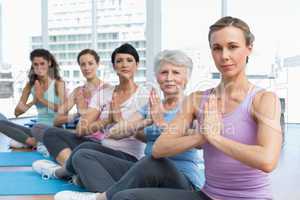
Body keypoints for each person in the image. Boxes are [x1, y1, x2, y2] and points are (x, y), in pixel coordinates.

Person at [97, 16, 283, 200]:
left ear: (249, 48)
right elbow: (159, 149)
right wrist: (202, 135)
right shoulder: (197, 99)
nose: (224, 56)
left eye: (232, 47)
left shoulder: (264, 99)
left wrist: (214, 137)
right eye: (217, 48)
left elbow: (267, 160)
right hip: (208, 195)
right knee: (124, 197)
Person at [54, 50, 205, 200]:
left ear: (186, 77)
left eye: (176, 73)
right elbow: (115, 133)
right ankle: (110, 191)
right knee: (83, 154)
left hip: (181, 179)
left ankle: (100, 195)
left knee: (154, 161)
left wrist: (162, 124)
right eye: (164, 72)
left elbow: (200, 141)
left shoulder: (193, 105)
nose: (169, 78)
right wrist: (147, 121)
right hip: (146, 172)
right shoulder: (151, 106)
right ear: (157, 77)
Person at [33, 43, 148, 181]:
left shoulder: (146, 95)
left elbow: (148, 136)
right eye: (119, 61)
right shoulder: (104, 94)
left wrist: (121, 122)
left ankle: (65, 171)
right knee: (51, 133)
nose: (124, 64)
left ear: (137, 64)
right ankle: (76, 172)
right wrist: (108, 120)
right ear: (114, 66)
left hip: (127, 156)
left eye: (129, 60)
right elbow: (81, 129)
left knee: (83, 152)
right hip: (101, 147)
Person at [0, 49, 65, 148]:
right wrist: (33, 101)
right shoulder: (30, 86)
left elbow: (63, 111)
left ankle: (36, 143)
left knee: (17, 142)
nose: (39, 68)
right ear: (32, 66)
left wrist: (41, 99)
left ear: (50, 63)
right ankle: (34, 143)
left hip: (55, 129)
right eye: (36, 64)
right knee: (1, 123)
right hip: (37, 130)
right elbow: (17, 113)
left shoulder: (58, 83)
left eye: (42, 63)